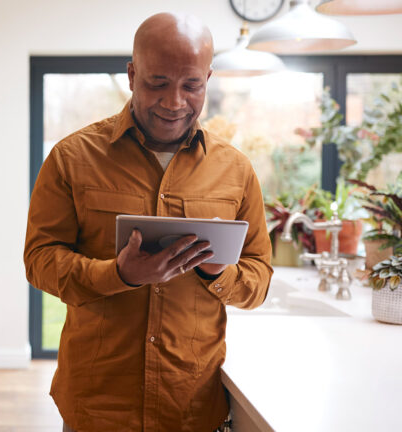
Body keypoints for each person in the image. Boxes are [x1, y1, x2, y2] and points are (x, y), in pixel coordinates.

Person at [23, 12, 273, 432]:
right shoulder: (72, 158)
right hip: (99, 406)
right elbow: (39, 261)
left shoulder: (236, 170)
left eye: (191, 85)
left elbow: (259, 280)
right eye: (157, 83)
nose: (174, 102)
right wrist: (119, 273)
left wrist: (218, 272)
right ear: (132, 74)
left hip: (192, 406)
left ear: (208, 79)